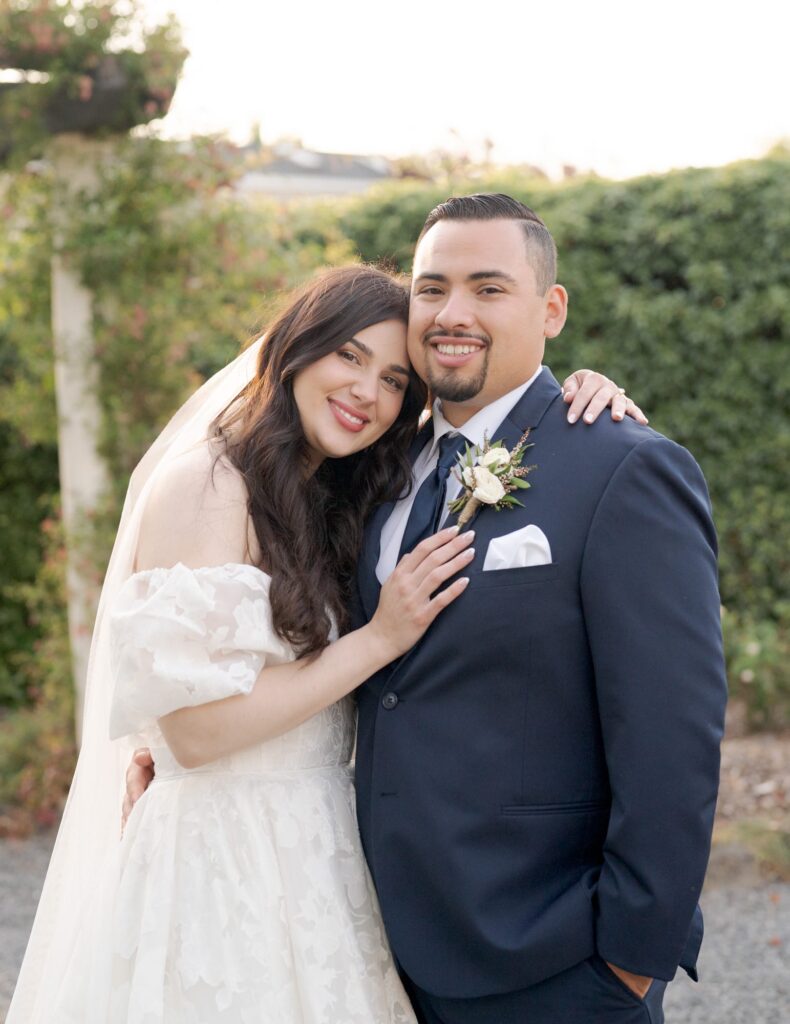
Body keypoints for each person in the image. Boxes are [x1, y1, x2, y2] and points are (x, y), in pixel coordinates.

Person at [8, 261, 638, 1024]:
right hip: (222, 868)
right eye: (348, 355)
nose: (366, 393)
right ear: (297, 348)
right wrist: (380, 638)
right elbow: (198, 731)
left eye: (395, 380)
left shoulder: (335, 496)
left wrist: (579, 390)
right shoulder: (206, 483)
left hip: (323, 859)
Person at [350, 195, 727, 1024]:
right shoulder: (371, 464)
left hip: (550, 958)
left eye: (489, 289)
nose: (453, 314)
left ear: (550, 309)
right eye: (431, 288)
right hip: (368, 947)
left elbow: (673, 732)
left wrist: (631, 955)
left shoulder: (625, 467)